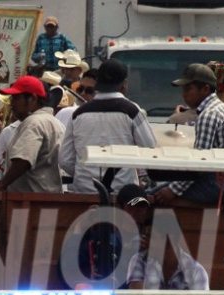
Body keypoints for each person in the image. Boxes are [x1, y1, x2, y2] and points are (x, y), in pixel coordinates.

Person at [151, 64, 224, 206]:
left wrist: (172, 191)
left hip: (220, 186)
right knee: (159, 191)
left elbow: (199, 166)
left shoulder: (209, 115)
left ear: (205, 89)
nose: (184, 94)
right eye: (183, 89)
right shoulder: (221, 109)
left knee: (154, 196)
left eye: (188, 89)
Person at [60, 59, 157, 195]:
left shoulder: (78, 113)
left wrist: (86, 175)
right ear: (124, 85)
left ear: (98, 84)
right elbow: (150, 148)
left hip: (83, 195)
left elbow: (65, 159)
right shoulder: (132, 110)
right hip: (121, 195)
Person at [0, 76, 65, 195]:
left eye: (16, 98)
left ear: (33, 99)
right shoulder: (56, 123)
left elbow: (23, 160)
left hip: (29, 203)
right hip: (49, 199)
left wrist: (0, 185)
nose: (12, 104)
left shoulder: (34, 122)